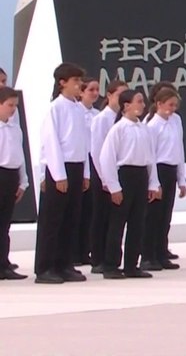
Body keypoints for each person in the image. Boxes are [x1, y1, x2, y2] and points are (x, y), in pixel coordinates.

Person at [34, 63, 90, 284]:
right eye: (75, 81)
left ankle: (64, 264)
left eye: (80, 81)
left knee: (71, 218)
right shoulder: (55, 108)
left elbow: (84, 143)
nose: (79, 85)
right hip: (60, 168)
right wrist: (58, 175)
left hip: (76, 166)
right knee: (52, 220)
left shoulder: (78, 108)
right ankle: (45, 267)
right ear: (62, 83)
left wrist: (85, 172)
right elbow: (51, 143)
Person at [98, 89, 160, 279]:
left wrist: (153, 183)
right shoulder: (118, 129)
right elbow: (106, 158)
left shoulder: (144, 128)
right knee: (117, 223)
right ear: (126, 106)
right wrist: (114, 187)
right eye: (139, 101)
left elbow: (151, 158)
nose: (142, 105)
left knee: (137, 223)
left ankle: (132, 265)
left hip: (141, 175)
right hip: (125, 175)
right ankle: (111, 265)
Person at [141, 86, 185, 271]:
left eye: (175, 105)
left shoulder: (176, 121)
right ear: (159, 104)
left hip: (171, 169)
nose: (172, 109)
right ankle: (148, 256)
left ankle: (161, 252)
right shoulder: (152, 125)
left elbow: (179, 149)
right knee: (153, 216)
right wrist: (154, 182)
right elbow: (150, 155)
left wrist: (182, 179)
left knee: (165, 216)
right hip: (158, 170)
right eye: (169, 105)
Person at [88, 81, 126, 273]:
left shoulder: (123, 119)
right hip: (102, 173)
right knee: (101, 215)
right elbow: (96, 150)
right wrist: (104, 178)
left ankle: (111, 256)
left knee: (115, 217)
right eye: (120, 95)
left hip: (118, 173)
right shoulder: (102, 119)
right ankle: (97, 258)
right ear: (110, 95)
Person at [0, 87, 29, 280]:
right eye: (9, 105)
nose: (12, 109)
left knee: (5, 224)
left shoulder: (14, 128)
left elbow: (20, 156)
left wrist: (23, 182)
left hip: (11, 176)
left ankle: (4, 263)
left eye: (15, 106)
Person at [75, 79, 101, 266]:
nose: (94, 93)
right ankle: (74, 251)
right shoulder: (77, 112)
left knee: (91, 210)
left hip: (94, 160)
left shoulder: (97, 115)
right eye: (90, 90)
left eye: (97, 90)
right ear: (81, 92)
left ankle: (86, 249)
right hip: (81, 160)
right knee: (78, 208)